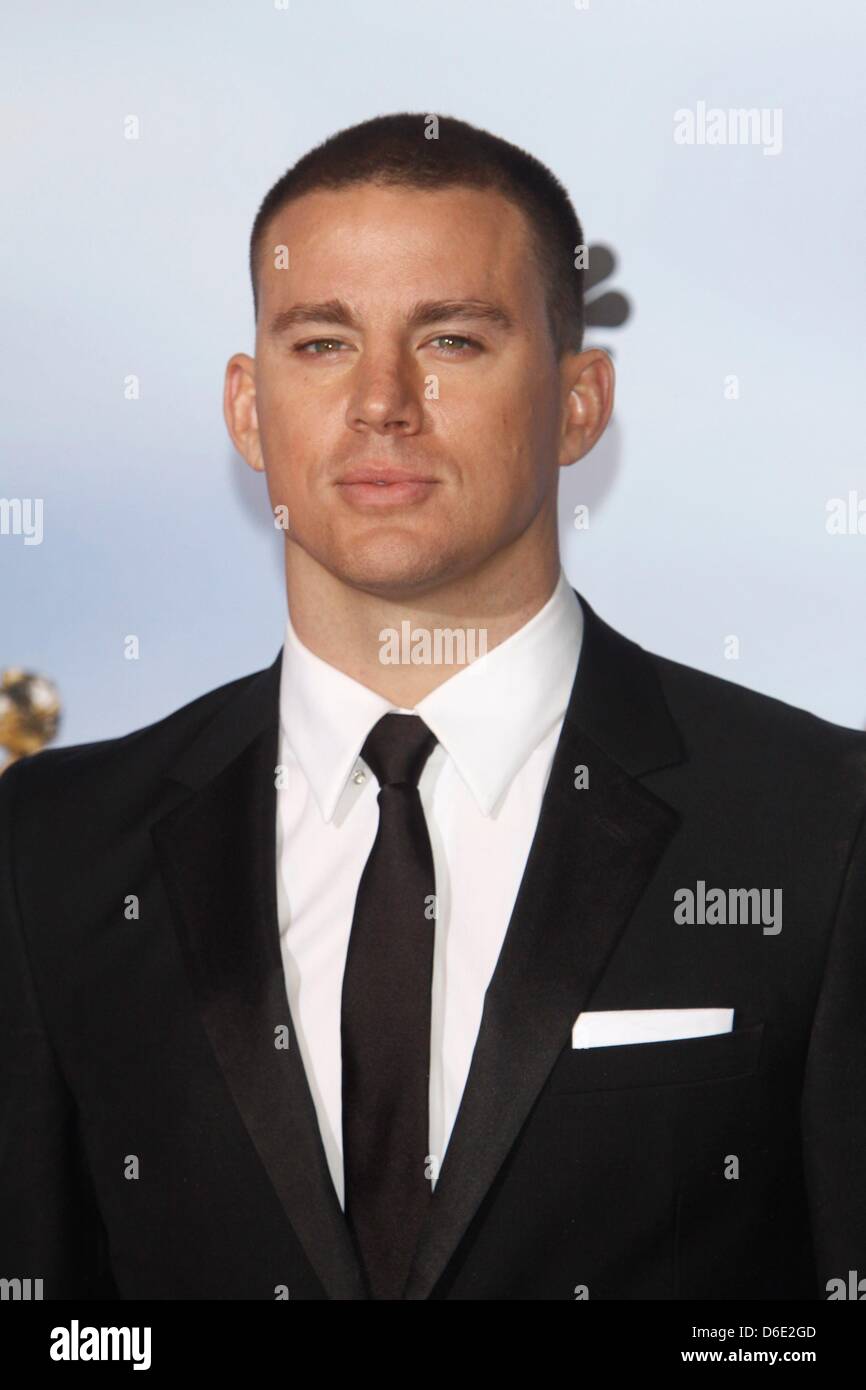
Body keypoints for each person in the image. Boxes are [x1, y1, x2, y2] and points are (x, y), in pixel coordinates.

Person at [1, 112, 864, 1301]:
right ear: (247, 409)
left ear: (578, 399)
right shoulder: (52, 844)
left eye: (451, 339)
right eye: (320, 344)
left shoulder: (821, 824)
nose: (382, 404)